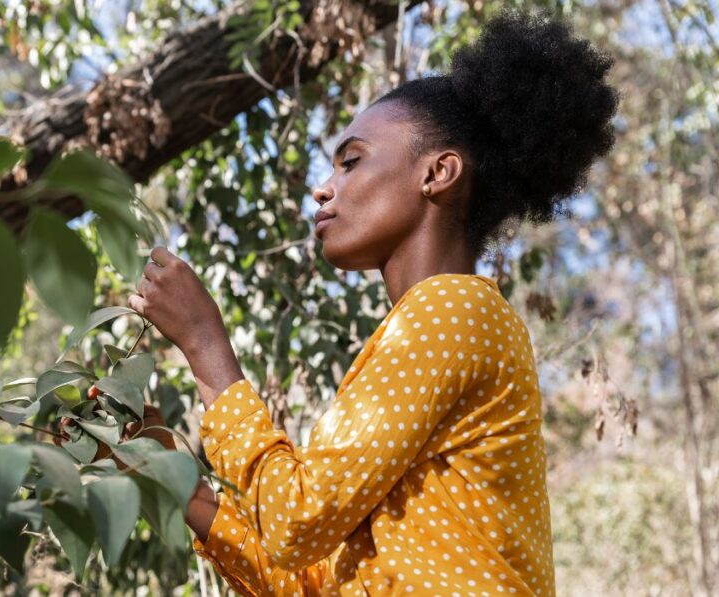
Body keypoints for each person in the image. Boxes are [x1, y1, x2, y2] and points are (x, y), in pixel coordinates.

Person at [125, 8, 618, 596]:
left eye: (351, 161)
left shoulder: (453, 312)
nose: (323, 186)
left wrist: (205, 341)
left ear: (438, 173)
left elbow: (294, 522)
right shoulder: (435, 326)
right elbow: (312, 579)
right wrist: (170, 475)